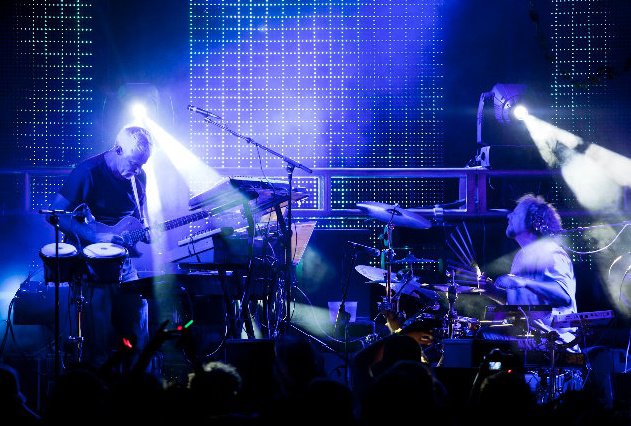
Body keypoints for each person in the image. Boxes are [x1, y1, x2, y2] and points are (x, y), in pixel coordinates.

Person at [48, 125, 154, 368]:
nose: (138, 170)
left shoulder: (139, 177)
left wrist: (147, 233)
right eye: (134, 163)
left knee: (138, 324)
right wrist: (95, 237)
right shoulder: (88, 172)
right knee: (99, 336)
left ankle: (139, 382)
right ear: (118, 149)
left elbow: (143, 220)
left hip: (124, 264)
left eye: (142, 164)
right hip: (90, 265)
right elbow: (56, 214)